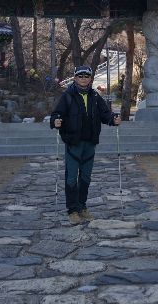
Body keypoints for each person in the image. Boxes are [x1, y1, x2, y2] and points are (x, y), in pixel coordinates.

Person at [50, 64, 120, 224]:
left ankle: (82, 207)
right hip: (73, 143)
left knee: (86, 177)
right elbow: (57, 114)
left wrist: (113, 119)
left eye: (86, 76)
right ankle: (72, 210)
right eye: (80, 76)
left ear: (90, 78)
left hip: (90, 142)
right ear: (75, 78)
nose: (83, 79)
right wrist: (56, 121)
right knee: (71, 178)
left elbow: (105, 114)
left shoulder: (95, 96)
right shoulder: (68, 95)